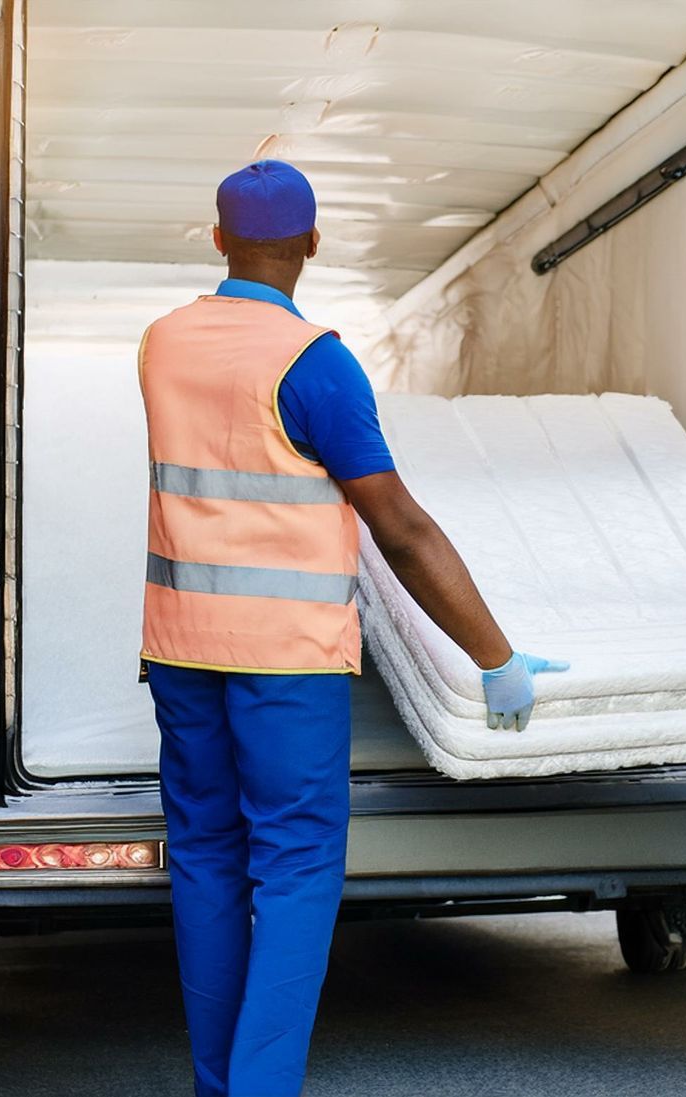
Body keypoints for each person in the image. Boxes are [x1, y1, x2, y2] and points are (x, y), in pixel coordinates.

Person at [137, 159, 565, 1097]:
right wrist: (495, 656)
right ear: (313, 243)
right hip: (284, 663)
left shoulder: (162, 344)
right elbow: (401, 527)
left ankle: (224, 1084)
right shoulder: (316, 364)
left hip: (178, 649)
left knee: (206, 861)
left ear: (217, 240)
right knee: (294, 873)